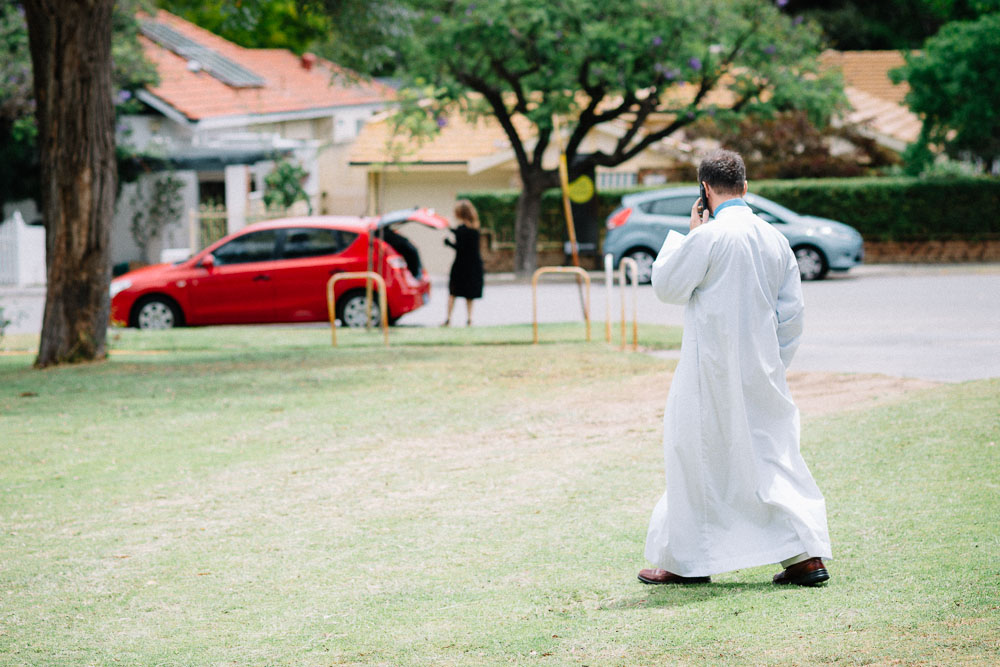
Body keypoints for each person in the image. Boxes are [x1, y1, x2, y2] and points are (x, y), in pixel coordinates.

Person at [638, 149, 832, 588]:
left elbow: (667, 287)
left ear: (705, 190)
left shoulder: (709, 237)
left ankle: (689, 560)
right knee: (772, 456)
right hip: (762, 367)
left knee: (694, 455)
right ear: (745, 187)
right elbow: (792, 314)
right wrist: (773, 365)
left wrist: (689, 234)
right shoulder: (775, 239)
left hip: (708, 368)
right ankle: (805, 556)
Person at [443, 199, 485, 327]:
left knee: (453, 292)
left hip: (461, 266)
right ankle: (469, 319)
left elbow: (460, 247)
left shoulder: (462, 230)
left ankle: (448, 319)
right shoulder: (475, 229)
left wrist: (448, 242)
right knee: (469, 295)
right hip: (474, 265)